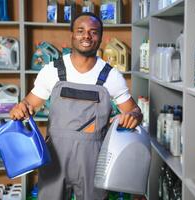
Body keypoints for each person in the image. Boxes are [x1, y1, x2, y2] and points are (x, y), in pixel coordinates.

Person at [9, 12, 143, 200]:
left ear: (100, 38)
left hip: (93, 160)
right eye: (81, 31)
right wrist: (20, 107)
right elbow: (29, 104)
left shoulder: (111, 76)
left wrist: (134, 116)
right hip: (54, 158)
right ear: (72, 34)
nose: (87, 36)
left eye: (93, 32)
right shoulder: (52, 71)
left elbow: (134, 111)